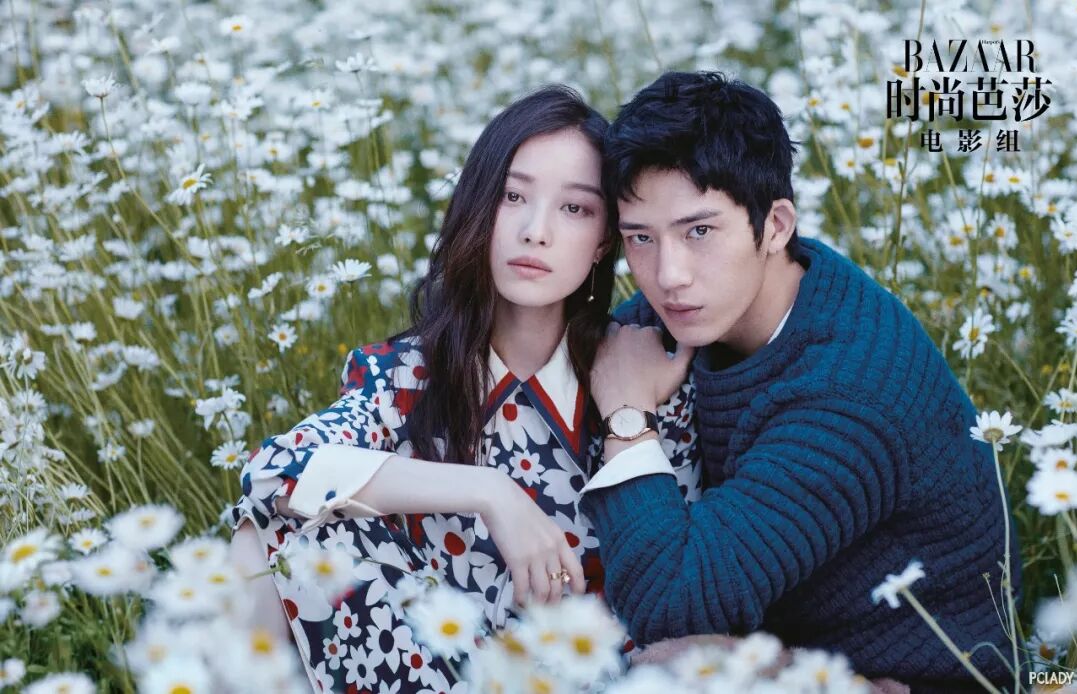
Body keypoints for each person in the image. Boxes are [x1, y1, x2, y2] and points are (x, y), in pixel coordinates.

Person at [228, 85, 701, 692]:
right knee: (277, 529)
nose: (536, 231)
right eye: (513, 196)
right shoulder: (408, 374)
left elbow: (679, 578)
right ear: (480, 207)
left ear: (604, 241)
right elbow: (273, 473)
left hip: (605, 677)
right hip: (442, 674)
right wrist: (490, 492)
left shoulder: (634, 369)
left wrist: (628, 414)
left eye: (574, 209)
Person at [580, 71, 1021, 693]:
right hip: (793, 646)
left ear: (776, 226)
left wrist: (628, 415)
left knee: (673, 671)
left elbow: (671, 609)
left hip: (918, 680)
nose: (668, 274)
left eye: (699, 231)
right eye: (640, 238)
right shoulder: (712, 302)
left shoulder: (850, 392)